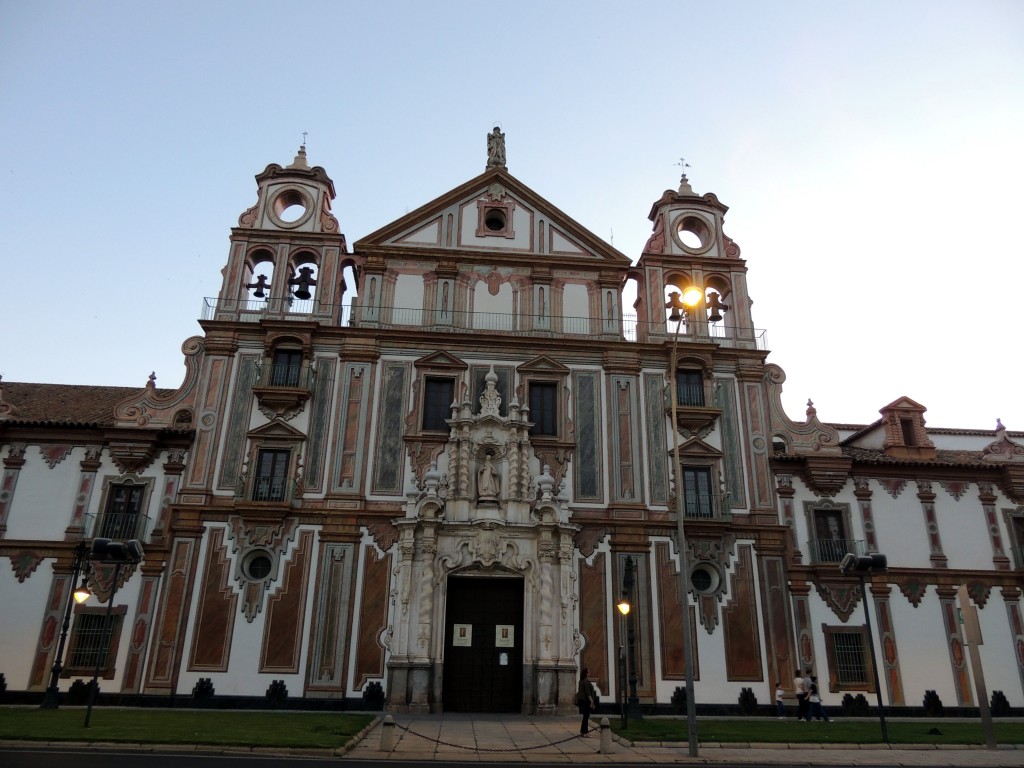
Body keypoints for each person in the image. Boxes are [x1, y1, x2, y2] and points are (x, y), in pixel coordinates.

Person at [577, 667, 597, 735]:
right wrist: (592, 702)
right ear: (586, 673)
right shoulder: (586, 681)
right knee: (586, 717)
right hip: (586, 701)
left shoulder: (581, 681)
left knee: (585, 717)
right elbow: (588, 693)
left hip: (582, 701)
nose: (589, 673)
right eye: (588, 672)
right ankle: (585, 731)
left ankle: (583, 731)